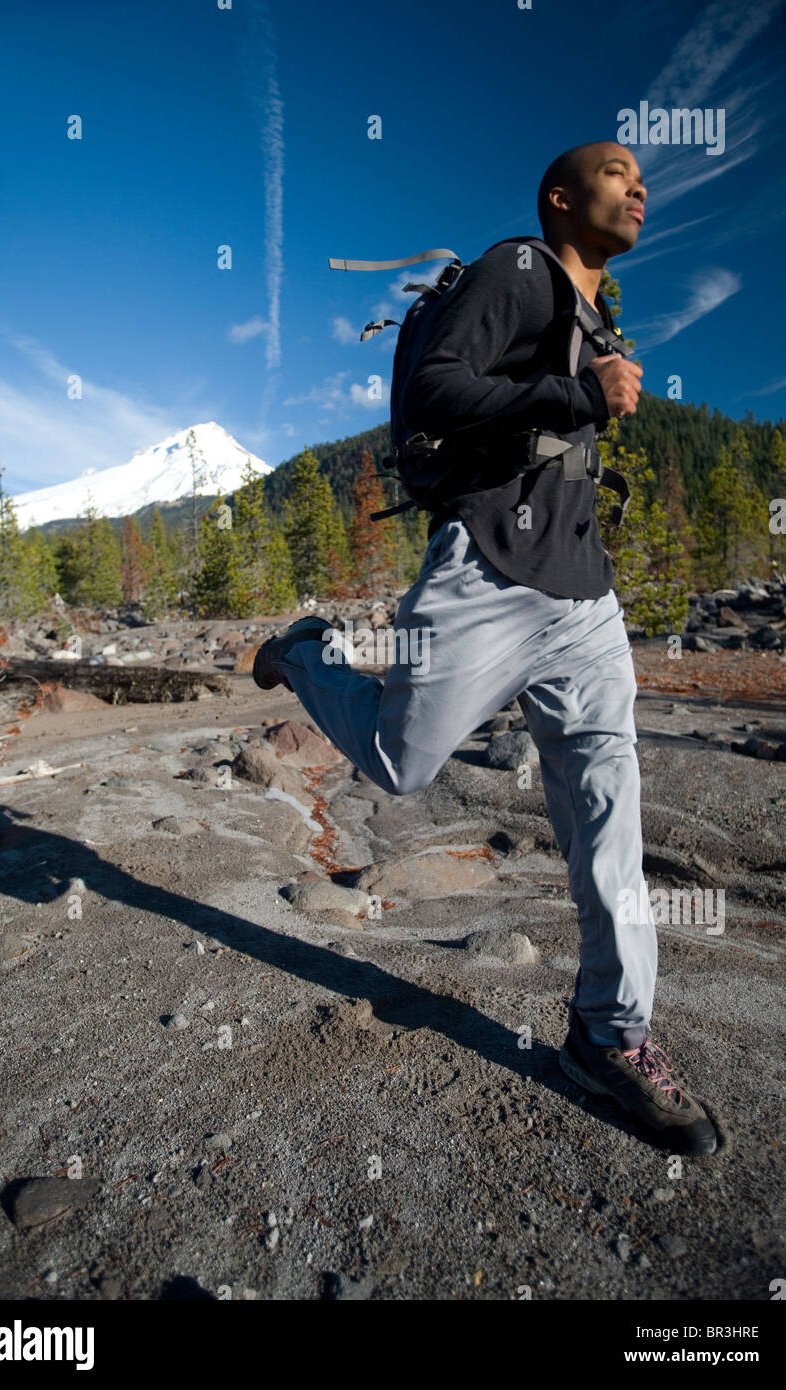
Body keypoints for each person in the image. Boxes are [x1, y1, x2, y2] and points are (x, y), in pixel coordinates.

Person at [253, 140, 718, 1156]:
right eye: (613, 171)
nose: (637, 185)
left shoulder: (598, 312)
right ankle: (304, 657)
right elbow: (431, 392)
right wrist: (572, 394)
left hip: (584, 603)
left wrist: (582, 396)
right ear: (560, 197)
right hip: (485, 574)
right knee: (398, 765)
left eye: (642, 174)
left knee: (607, 821)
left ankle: (608, 1036)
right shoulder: (517, 268)